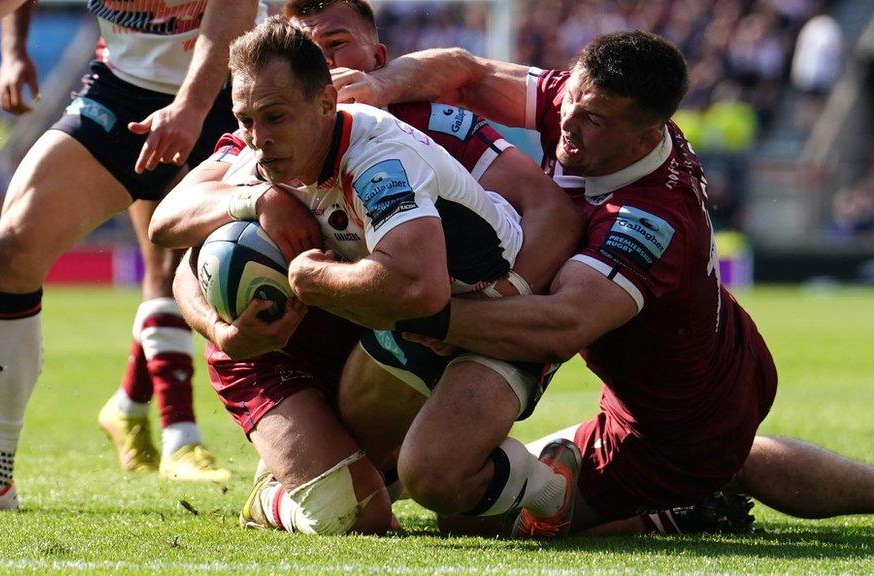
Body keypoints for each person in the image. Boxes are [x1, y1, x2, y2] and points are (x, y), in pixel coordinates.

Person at [335, 30, 874, 536]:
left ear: (646, 138)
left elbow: (563, 322)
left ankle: (678, 515)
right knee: (730, 458)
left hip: (671, 428)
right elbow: (465, 71)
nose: (566, 122)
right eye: (570, 99)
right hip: (714, 366)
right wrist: (379, 86)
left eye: (591, 119)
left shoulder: (648, 218)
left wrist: (421, 313)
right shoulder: (595, 107)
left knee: (463, 506)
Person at [149, 15, 588, 535]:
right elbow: (171, 234)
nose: (258, 137)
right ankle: (294, 490)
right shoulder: (265, 157)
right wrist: (253, 211)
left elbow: (418, 288)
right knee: (354, 516)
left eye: (272, 117)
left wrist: (308, 278)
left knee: (441, 487)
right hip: (383, 329)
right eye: (247, 119)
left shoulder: (382, 157)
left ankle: (544, 479)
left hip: (477, 321)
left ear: (333, 96)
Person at [0, 0, 260, 510]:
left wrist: (190, 106)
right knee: (13, 246)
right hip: (125, 92)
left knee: (263, 264)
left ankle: (316, 452)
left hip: (237, 90)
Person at [0, 0, 230, 480]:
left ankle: (130, 407)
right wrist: (14, 50)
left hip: (226, 87)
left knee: (196, 265)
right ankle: (180, 435)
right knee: (168, 264)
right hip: (131, 93)